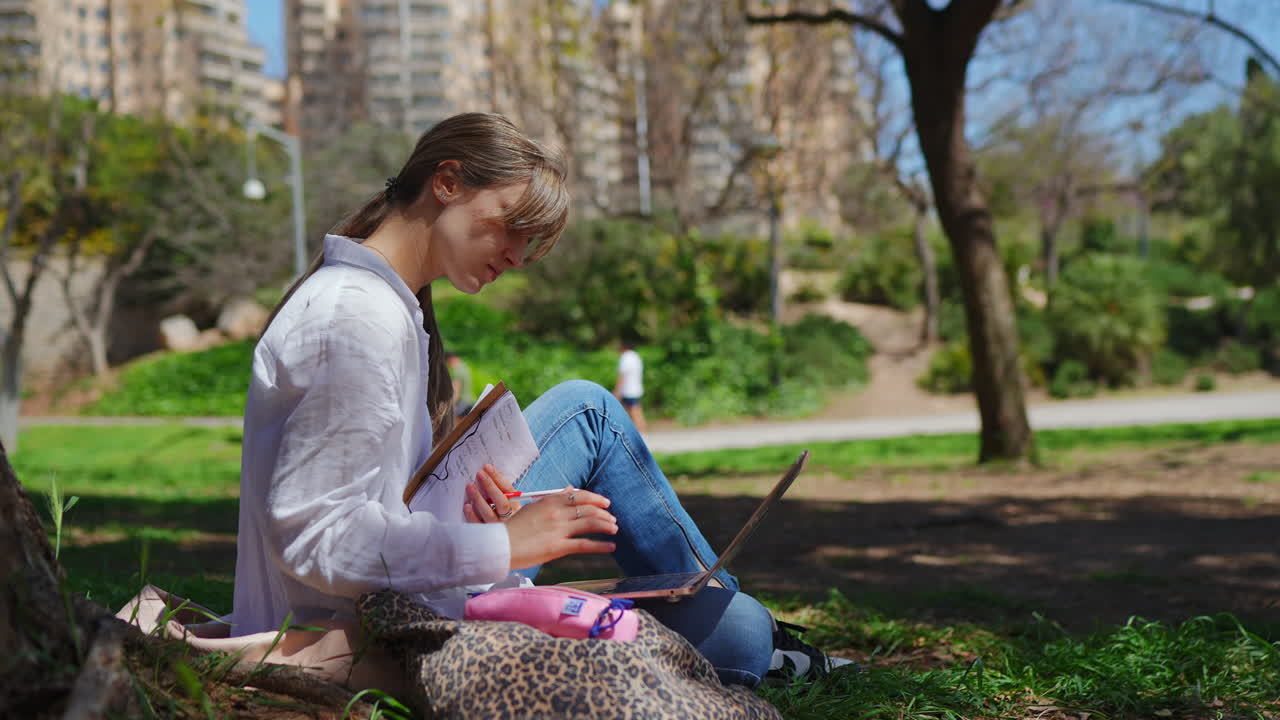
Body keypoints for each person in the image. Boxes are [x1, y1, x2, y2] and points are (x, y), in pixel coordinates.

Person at [228, 112, 849, 688]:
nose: (518, 257)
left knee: (589, 411)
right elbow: (318, 539)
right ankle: (743, 631)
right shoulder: (355, 318)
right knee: (736, 636)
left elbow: (375, 500)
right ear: (447, 182)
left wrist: (476, 508)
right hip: (382, 632)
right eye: (514, 226)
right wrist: (505, 545)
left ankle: (727, 616)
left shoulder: (383, 306)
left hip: (405, 593)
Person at [614, 339, 647, 432]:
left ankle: (641, 433)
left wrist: (617, 391)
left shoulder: (626, 357)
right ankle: (640, 431)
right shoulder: (636, 356)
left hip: (628, 390)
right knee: (634, 411)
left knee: (633, 412)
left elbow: (622, 376)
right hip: (636, 388)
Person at [445, 351, 474, 416]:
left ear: (450, 359)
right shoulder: (464, 367)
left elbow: (456, 391)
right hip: (469, 401)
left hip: (462, 404)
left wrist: (450, 408)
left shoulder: (457, 371)